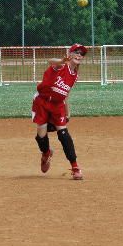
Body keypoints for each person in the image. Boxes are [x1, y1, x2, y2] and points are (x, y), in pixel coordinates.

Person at [31, 43, 87, 180]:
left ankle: (75, 167)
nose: (79, 55)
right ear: (70, 53)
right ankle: (46, 153)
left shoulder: (75, 75)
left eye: (82, 54)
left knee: (64, 134)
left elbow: (66, 94)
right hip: (42, 102)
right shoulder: (61, 66)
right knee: (41, 136)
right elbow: (50, 61)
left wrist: (68, 112)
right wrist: (62, 60)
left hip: (58, 106)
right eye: (76, 52)